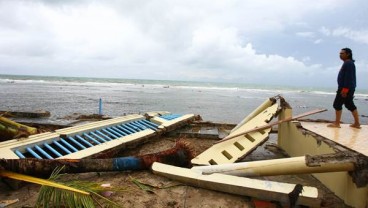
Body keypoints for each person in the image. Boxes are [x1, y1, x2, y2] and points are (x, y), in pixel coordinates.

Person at [328, 47, 360, 128]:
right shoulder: (348, 63)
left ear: (348, 54)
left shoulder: (348, 63)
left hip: (345, 88)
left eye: (342, 53)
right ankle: (357, 123)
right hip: (349, 88)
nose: (340, 55)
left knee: (337, 105)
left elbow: (349, 77)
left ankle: (337, 123)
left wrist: (345, 90)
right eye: (340, 53)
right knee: (349, 104)